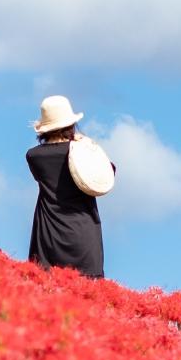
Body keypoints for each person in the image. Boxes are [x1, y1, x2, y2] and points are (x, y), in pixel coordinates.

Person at [27, 95, 112, 278]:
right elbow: (108, 172)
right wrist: (86, 145)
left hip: (49, 236)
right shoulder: (83, 153)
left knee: (46, 295)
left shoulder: (34, 156)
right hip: (84, 234)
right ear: (71, 124)